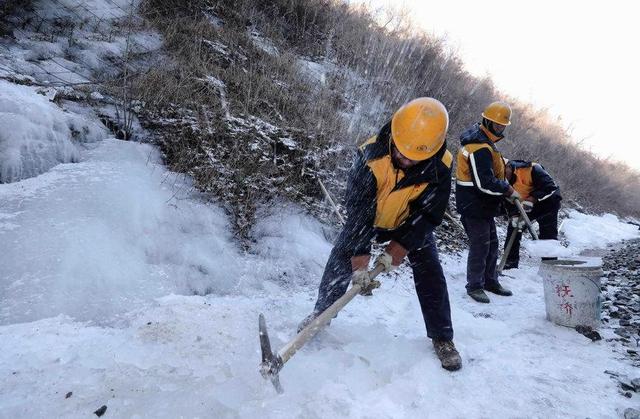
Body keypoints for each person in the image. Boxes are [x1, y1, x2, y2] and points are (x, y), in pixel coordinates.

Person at [299, 97, 462, 371]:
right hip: (371, 220)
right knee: (342, 254)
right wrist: (360, 257)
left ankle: (443, 338)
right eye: (401, 151)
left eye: (414, 156)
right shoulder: (370, 153)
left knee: (430, 269)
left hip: (408, 222)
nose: (405, 159)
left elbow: (430, 214)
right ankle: (321, 314)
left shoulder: (441, 165)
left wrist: (400, 247)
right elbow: (358, 209)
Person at [455, 101, 520, 304]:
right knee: (480, 246)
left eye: (503, 126)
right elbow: (484, 183)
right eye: (497, 125)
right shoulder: (479, 147)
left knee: (492, 244)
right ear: (487, 121)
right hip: (473, 206)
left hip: (483, 206)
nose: (500, 129)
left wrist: (504, 192)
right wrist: (507, 189)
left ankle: (490, 281)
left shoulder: (485, 143)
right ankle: (474, 286)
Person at [502, 159, 562, 269]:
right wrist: (513, 214)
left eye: (505, 171)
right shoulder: (502, 182)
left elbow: (550, 187)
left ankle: (550, 265)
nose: (504, 176)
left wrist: (532, 198)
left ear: (509, 166)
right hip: (524, 206)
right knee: (514, 228)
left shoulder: (532, 169)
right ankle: (510, 262)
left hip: (548, 203)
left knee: (548, 234)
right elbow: (507, 201)